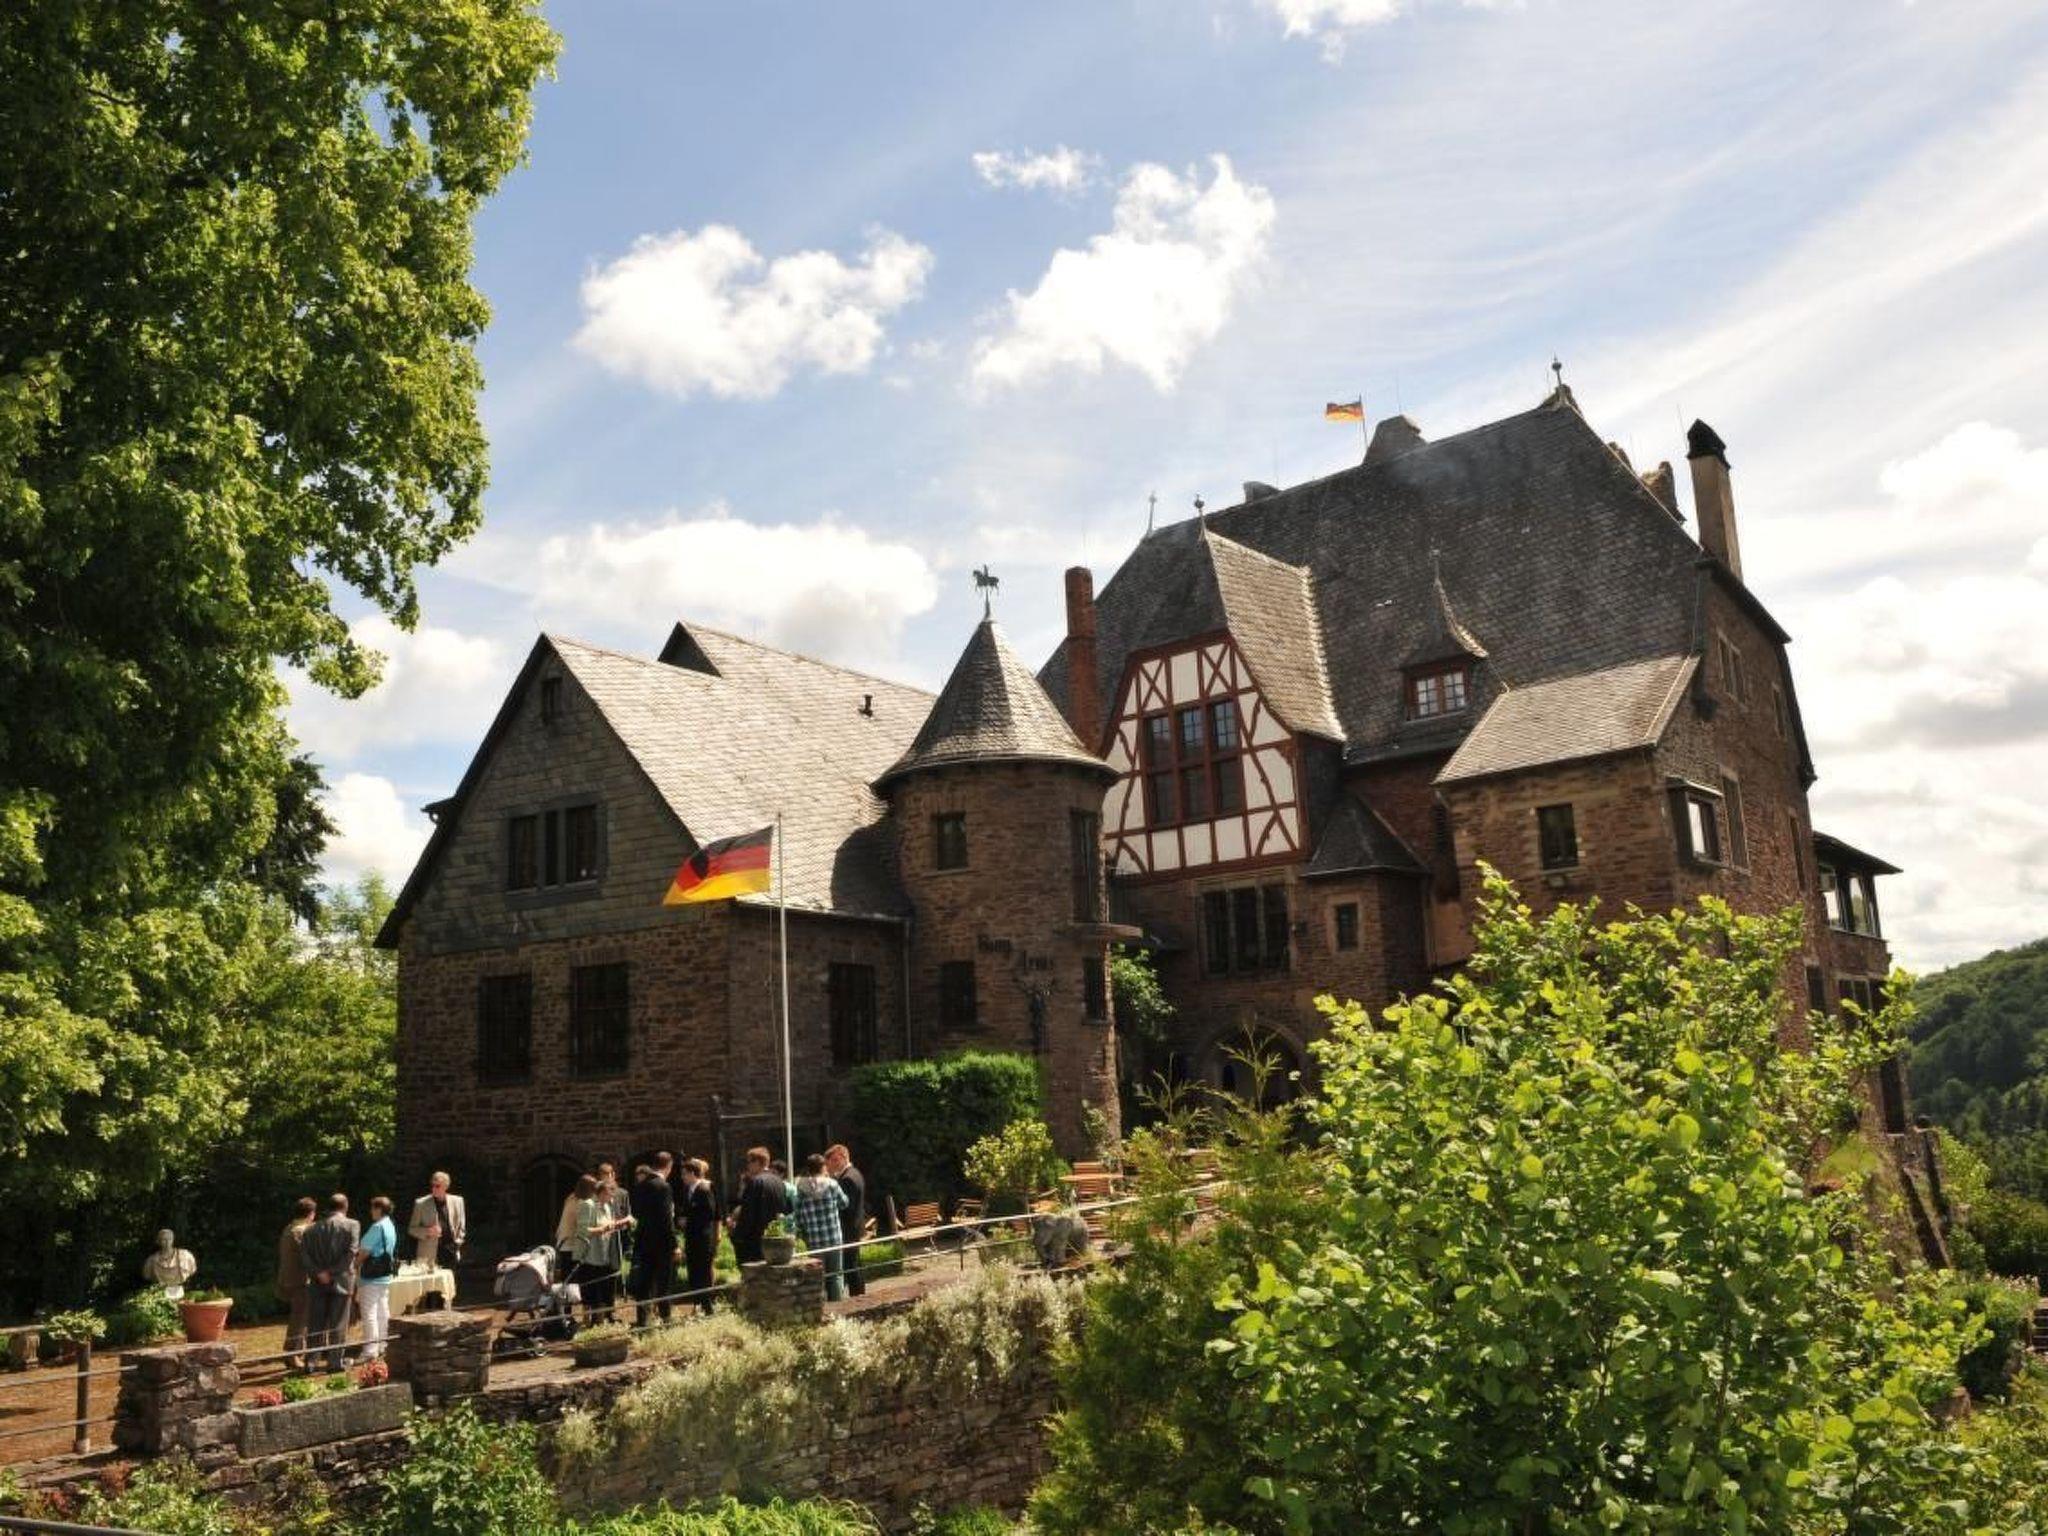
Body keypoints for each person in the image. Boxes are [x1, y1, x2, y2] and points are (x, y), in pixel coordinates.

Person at [298, 1194, 360, 1374]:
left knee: (315, 1323)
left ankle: (311, 1362)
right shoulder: (352, 1225)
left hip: (317, 1281)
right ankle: (334, 1362)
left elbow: (305, 1256)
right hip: (341, 1281)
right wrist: (332, 1272)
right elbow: (351, 1253)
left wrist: (319, 1273)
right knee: (338, 1323)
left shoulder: (310, 1229)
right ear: (345, 1206)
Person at [568, 1173, 629, 1323]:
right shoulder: (587, 1205)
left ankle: (600, 1321)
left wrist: (617, 1225)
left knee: (602, 1289)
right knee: (591, 1291)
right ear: (601, 1193)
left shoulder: (607, 1207)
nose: (612, 1197)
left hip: (603, 1254)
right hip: (589, 1256)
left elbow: (609, 1225)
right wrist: (603, 1229)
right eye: (610, 1193)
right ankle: (590, 1321)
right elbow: (583, 1231)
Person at [791, 1153, 849, 1302]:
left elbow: (797, 1213)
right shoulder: (832, 1184)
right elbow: (844, 1203)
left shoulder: (801, 1187)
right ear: (823, 1167)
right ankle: (838, 1307)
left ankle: (819, 1307)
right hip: (834, 1238)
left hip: (814, 1240)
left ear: (808, 1169)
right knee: (835, 1276)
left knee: (817, 1277)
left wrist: (802, 1230)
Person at [628, 1158, 676, 1326]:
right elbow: (666, 1219)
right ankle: (666, 1319)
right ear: (668, 1166)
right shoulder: (663, 1187)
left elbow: (636, 1213)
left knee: (645, 1283)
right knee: (663, 1283)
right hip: (661, 1242)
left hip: (644, 1241)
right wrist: (674, 1244)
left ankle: (643, 1321)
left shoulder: (640, 1186)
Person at [355, 1195, 399, 1361]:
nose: (371, 1211)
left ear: (379, 1209)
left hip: (371, 1277)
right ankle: (382, 1345)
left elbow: (364, 1251)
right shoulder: (390, 1225)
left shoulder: (377, 1227)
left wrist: (355, 1264)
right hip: (385, 1275)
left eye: (373, 1208)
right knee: (382, 1312)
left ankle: (369, 1351)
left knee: (369, 1314)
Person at [276, 1198, 317, 1369]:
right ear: (311, 1213)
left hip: (290, 1279)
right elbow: (307, 1256)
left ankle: (297, 1352)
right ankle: (291, 1354)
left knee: (301, 1317)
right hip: (300, 1281)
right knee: (299, 1319)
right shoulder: (301, 1231)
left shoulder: (289, 1227)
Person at [728, 1147, 785, 1266]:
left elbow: (748, 1213)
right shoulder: (778, 1181)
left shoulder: (755, 1182)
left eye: (749, 1162)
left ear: (757, 1162)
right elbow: (783, 1208)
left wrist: (737, 1235)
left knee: (753, 1274)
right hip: (774, 1237)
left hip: (754, 1241)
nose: (747, 1166)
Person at [825, 1144, 868, 1298]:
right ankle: (859, 1295)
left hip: (848, 1228)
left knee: (851, 1266)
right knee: (853, 1264)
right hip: (854, 1226)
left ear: (842, 1158)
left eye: (833, 1161)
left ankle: (858, 1297)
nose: (830, 1165)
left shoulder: (847, 1179)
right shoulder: (855, 1173)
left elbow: (846, 1207)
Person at [678, 1158, 719, 1314]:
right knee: (693, 1271)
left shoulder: (704, 1190)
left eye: (684, 1174)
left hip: (703, 1238)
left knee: (703, 1272)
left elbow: (709, 1214)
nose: (682, 1177)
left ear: (692, 1173)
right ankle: (697, 1303)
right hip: (692, 1238)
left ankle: (708, 1306)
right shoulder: (689, 1191)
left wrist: (689, 1220)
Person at [406, 1171, 466, 1271]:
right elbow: (411, 1229)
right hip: (429, 1255)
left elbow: (461, 1226)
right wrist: (427, 1231)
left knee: (450, 1281)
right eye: (432, 1185)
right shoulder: (421, 1203)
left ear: (446, 1186)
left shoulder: (458, 1201)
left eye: (437, 1186)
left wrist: (457, 1243)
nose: (434, 1188)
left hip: (450, 1253)